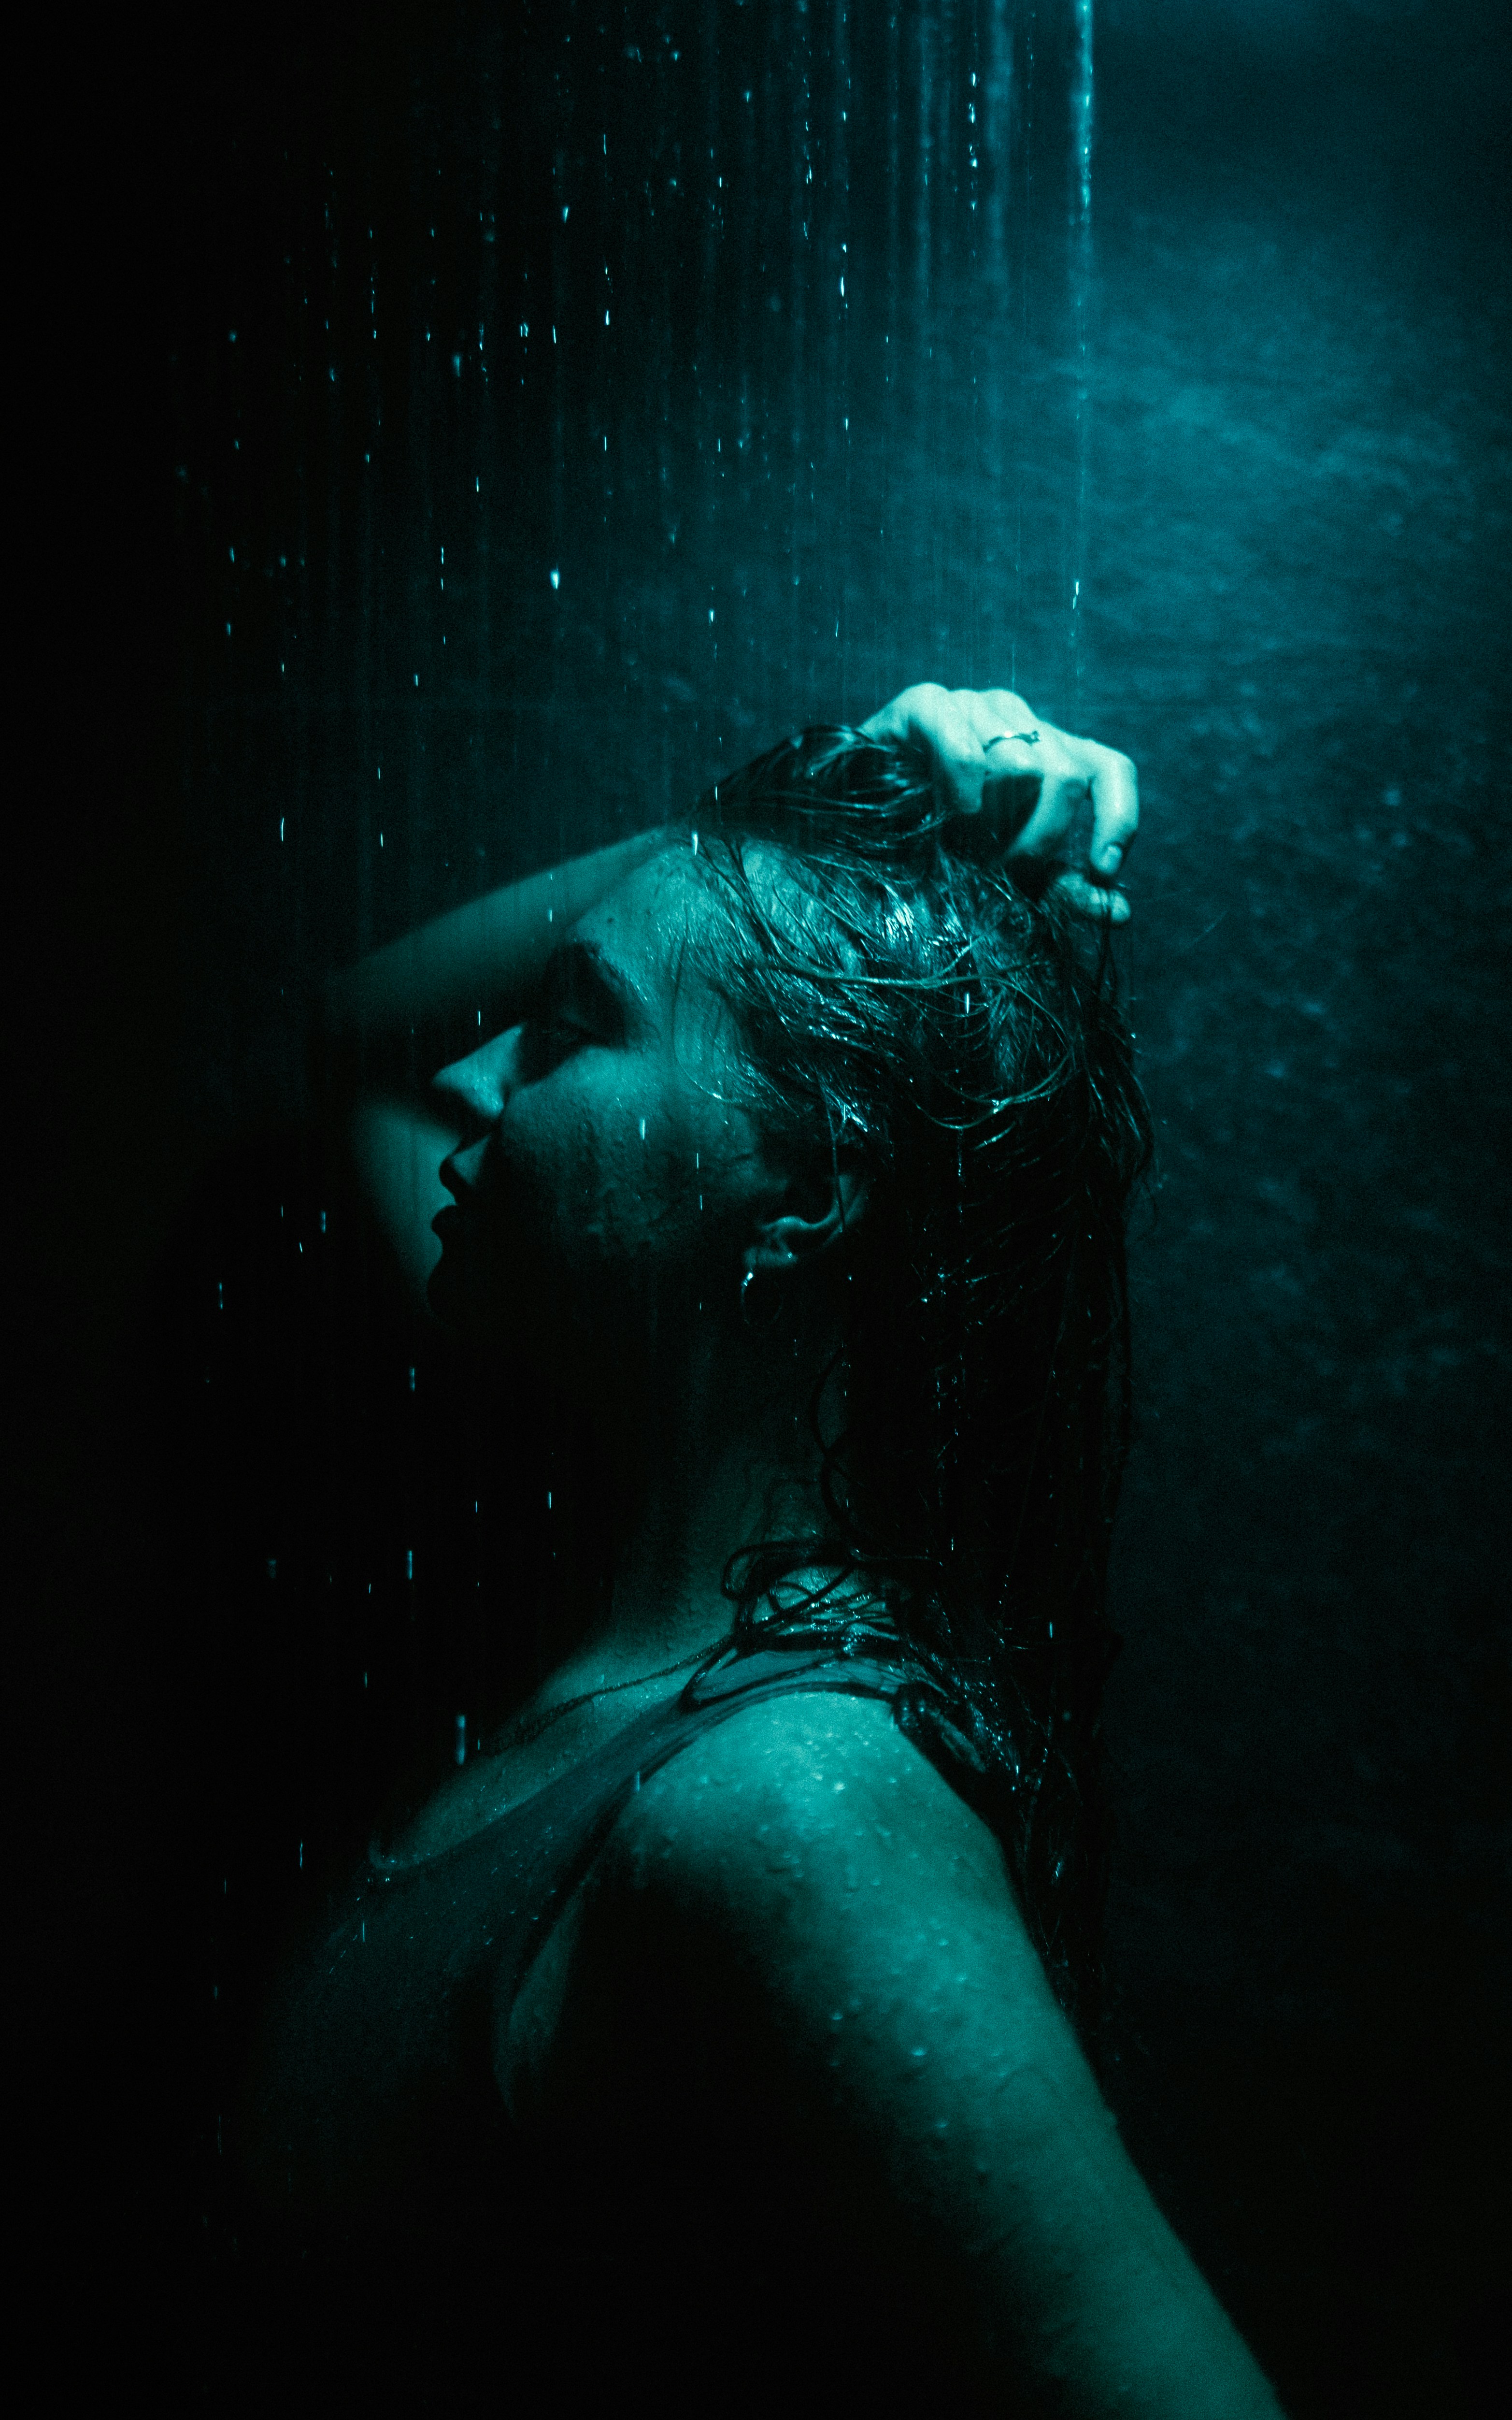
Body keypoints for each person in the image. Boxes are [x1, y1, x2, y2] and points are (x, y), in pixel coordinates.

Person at [240, 685, 1283, 2412]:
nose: (478, 1075)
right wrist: (833, 812)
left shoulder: (792, 1806)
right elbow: (359, 1036)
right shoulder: (600, 1611)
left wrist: (768, 875)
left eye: (571, 1024)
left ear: (802, 1193)